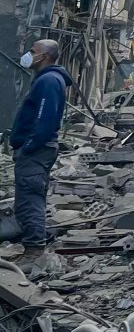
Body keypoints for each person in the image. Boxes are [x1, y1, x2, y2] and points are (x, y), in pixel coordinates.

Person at [7, 39, 70, 252]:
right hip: (37, 150)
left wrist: (29, 146)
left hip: (36, 151)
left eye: (33, 51)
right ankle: (34, 241)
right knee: (29, 197)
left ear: (44, 56)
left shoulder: (49, 81)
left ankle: (34, 250)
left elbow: (45, 119)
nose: (28, 54)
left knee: (29, 200)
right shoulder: (46, 79)